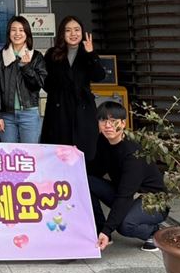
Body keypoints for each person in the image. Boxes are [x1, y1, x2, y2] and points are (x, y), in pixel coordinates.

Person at [87, 100, 168, 251]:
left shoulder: (133, 153)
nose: (108, 125)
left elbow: (124, 195)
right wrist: (73, 158)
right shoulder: (103, 141)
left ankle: (156, 232)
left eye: (113, 121)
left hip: (152, 200)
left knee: (125, 225)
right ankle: (100, 230)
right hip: (128, 194)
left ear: (123, 123)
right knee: (87, 182)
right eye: (103, 120)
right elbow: (95, 171)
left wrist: (108, 229)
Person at [40, 17, 106, 159]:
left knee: (84, 151)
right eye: (68, 30)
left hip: (83, 109)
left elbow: (99, 76)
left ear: (82, 32)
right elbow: (45, 81)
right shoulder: (52, 53)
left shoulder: (87, 52)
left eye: (77, 30)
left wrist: (91, 54)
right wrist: (58, 92)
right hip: (59, 108)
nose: (73, 34)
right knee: (57, 153)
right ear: (62, 33)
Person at [0, 15, 47, 143]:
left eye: (21, 30)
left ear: (27, 33)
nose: (17, 33)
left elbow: (39, 84)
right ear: (8, 33)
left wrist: (26, 68)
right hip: (6, 116)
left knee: (30, 152)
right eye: (13, 30)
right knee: (9, 153)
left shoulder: (36, 56)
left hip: (29, 113)